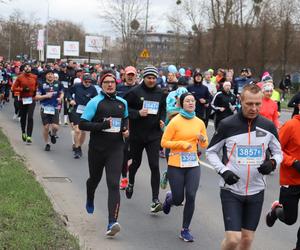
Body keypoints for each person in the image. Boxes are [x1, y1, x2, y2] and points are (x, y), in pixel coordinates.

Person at [206, 84, 283, 250]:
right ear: (241, 101)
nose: (253, 108)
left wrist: (273, 163)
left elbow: (279, 153)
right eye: (249, 104)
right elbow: (211, 152)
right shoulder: (227, 125)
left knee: (247, 240)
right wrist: (224, 171)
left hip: (256, 191)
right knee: (234, 239)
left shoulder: (268, 126)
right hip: (231, 190)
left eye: (257, 104)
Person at [79, 69, 129, 237]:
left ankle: (111, 222)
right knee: (94, 179)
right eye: (106, 82)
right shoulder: (95, 102)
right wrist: (102, 126)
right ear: (101, 84)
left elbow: (125, 119)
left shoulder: (122, 102)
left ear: (116, 84)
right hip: (97, 149)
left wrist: (125, 130)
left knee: (113, 184)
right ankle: (90, 195)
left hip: (116, 149)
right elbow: (83, 125)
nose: (109, 84)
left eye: (112, 82)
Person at [161, 92, 208, 242]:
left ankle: (185, 229)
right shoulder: (175, 121)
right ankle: (170, 199)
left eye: (193, 101)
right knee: (178, 199)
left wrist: (202, 139)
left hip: (193, 164)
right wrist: (181, 144)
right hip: (176, 163)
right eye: (187, 101)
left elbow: (204, 144)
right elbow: (164, 142)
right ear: (181, 104)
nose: (191, 103)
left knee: (191, 196)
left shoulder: (199, 122)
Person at [124, 66, 166, 213]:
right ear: (144, 78)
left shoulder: (161, 93)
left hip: (154, 135)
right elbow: (124, 108)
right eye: (149, 77)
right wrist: (137, 113)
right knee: (136, 163)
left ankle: (155, 199)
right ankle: (131, 182)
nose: (151, 80)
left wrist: (162, 120)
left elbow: (163, 109)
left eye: (154, 78)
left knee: (154, 165)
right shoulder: (134, 92)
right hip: (137, 135)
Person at [265, 111, 300, 250]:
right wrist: (293, 162)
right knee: (290, 219)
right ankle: (275, 210)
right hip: (290, 180)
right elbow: (276, 148)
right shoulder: (291, 125)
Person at [116, 66, 138, 190]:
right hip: (122, 122)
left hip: (136, 123)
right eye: (128, 74)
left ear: (135, 76)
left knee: (134, 153)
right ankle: (124, 178)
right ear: (124, 75)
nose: (130, 76)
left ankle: (127, 166)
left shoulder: (139, 89)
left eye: (132, 74)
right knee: (123, 151)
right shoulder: (119, 88)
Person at [68, 73, 98, 158]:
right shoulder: (77, 86)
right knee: (77, 130)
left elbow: (96, 99)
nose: (88, 83)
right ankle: (77, 149)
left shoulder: (92, 88)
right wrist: (70, 99)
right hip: (76, 110)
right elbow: (68, 93)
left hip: (86, 111)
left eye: (89, 81)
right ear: (82, 81)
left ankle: (79, 146)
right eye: (86, 81)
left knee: (83, 131)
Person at [35, 69, 64, 151]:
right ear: (46, 76)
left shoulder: (58, 84)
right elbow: (36, 97)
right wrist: (45, 96)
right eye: (48, 74)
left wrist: (60, 98)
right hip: (44, 108)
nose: (50, 75)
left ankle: (53, 134)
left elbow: (62, 92)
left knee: (55, 127)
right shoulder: (41, 85)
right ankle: (47, 143)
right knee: (46, 127)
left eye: (51, 74)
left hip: (54, 108)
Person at [11, 63, 38, 144]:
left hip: (31, 99)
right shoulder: (20, 77)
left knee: (30, 117)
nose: (27, 68)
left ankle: (29, 136)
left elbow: (36, 85)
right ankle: (23, 132)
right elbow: (13, 88)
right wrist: (22, 89)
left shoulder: (34, 76)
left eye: (29, 66)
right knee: (23, 117)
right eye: (26, 67)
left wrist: (35, 91)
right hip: (22, 99)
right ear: (23, 69)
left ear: (31, 68)